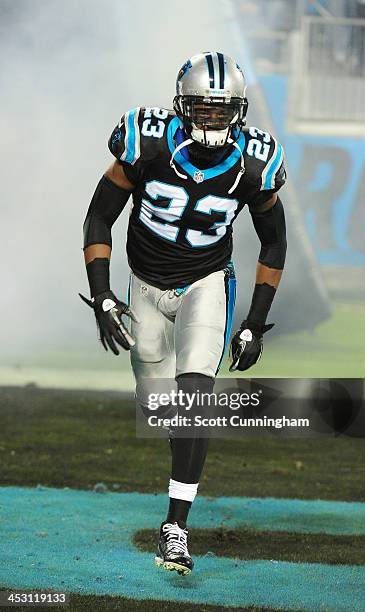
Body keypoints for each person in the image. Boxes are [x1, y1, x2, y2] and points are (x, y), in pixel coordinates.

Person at [80, 52, 287, 575]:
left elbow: (274, 242)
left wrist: (255, 322)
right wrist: (103, 295)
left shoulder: (254, 163)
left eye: (224, 110)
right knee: (162, 412)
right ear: (181, 105)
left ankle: (176, 527)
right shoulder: (146, 142)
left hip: (206, 283)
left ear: (240, 111)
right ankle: (180, 453)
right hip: (145, 286)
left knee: (195, 400)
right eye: (203, 108)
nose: (213, 119)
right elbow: (99, 216)